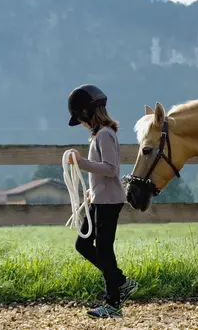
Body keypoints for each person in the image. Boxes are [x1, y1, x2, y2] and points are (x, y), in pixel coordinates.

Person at [66, 84, 138, 318]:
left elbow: (110, 168)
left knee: (105, 251)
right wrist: (91, 190)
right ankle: (122, 282)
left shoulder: (105, 134)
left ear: (86, 113)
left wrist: (81, 161)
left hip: (108, 202)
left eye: (81, 118)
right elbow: (103, 173)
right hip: (100, 198)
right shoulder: (101, 134)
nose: (83, 123)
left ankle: (113, 303)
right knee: (83, 244)